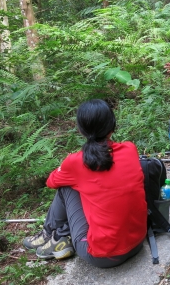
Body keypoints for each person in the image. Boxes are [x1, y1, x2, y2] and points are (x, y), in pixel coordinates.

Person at [22, 99, 147, 268]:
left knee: (66, 186)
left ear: (81, 130)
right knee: (81, 185)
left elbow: (51, 182)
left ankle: (53, 235)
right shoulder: (130, 149)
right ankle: (56, 234)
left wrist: (66, 167)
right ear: (112, 126)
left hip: (104, 255)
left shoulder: (75, 162)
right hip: (137, 242)